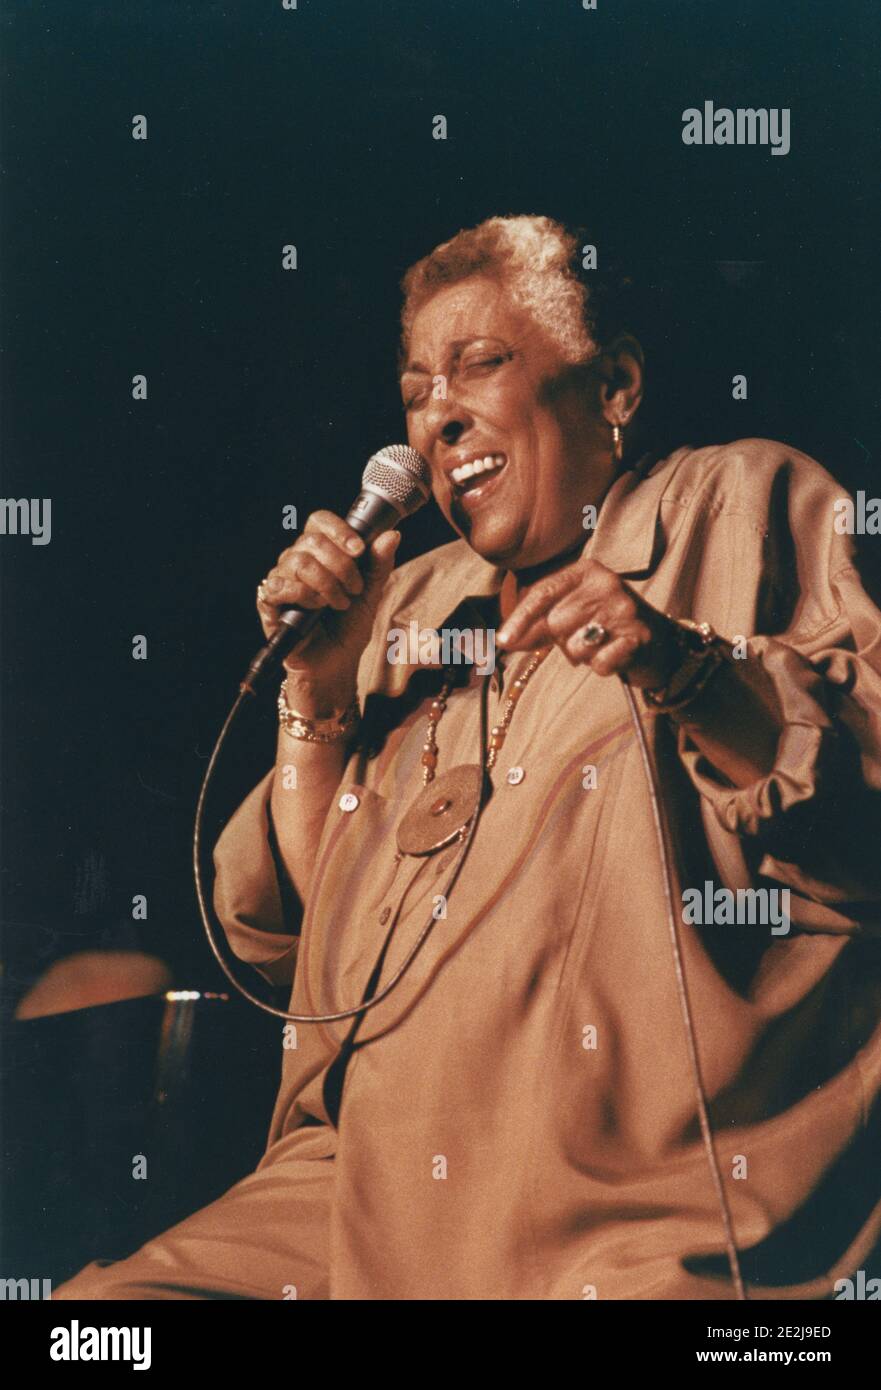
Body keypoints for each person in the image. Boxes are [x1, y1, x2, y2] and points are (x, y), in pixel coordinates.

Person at [55, 214, 881, 1301]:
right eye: (413, 391)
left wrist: (685, 671)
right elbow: (301, 954)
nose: (437, 415)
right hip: (357, 1199)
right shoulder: (415, 602)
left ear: (615, 386)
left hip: (631, 1210)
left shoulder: (739, 501)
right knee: (99, 1323)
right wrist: (319, 702)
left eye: (478, 365)